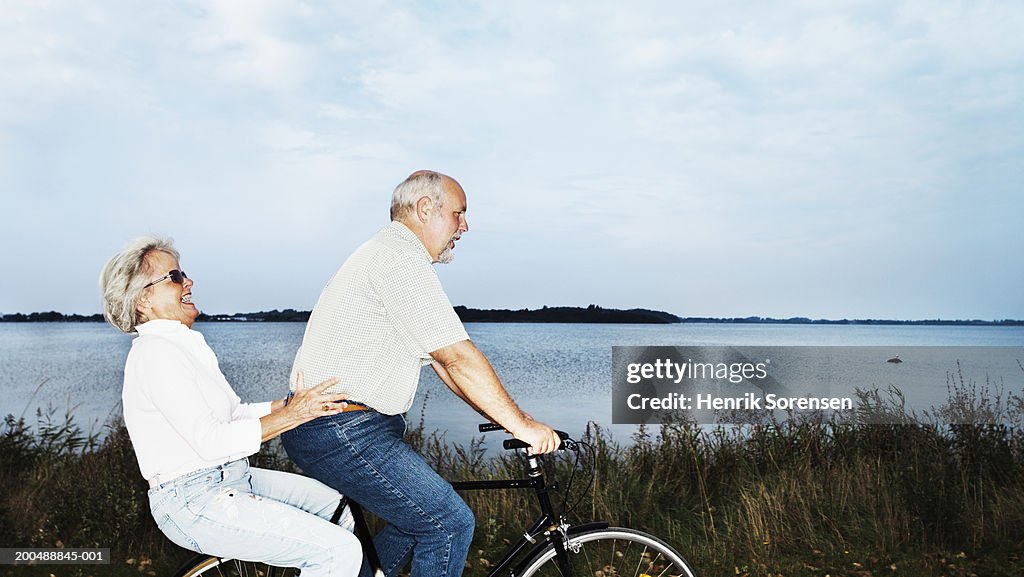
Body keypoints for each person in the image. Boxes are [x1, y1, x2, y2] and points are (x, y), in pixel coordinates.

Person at [281, 170, 562, 577]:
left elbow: (447, 368)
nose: (464, 227)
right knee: (448, 525)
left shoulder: (386, 255)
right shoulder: (398, 258)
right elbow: (457, 357)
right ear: (425, 208)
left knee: (415, 525)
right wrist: (521, 424)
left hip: (342, 427)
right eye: (458, 214)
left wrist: (514, 420)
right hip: (343, 429)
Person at [100, 236, 362, 577]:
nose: (188, 281)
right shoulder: (154, 354)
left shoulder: (181, 345)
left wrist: (291, 404)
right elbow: (212, 441)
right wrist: (296, 414)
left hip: (234, 478)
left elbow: (234, 414)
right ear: (144, 297)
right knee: (337, 552)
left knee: (339, 509)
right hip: (193, 499)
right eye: (176, 276)